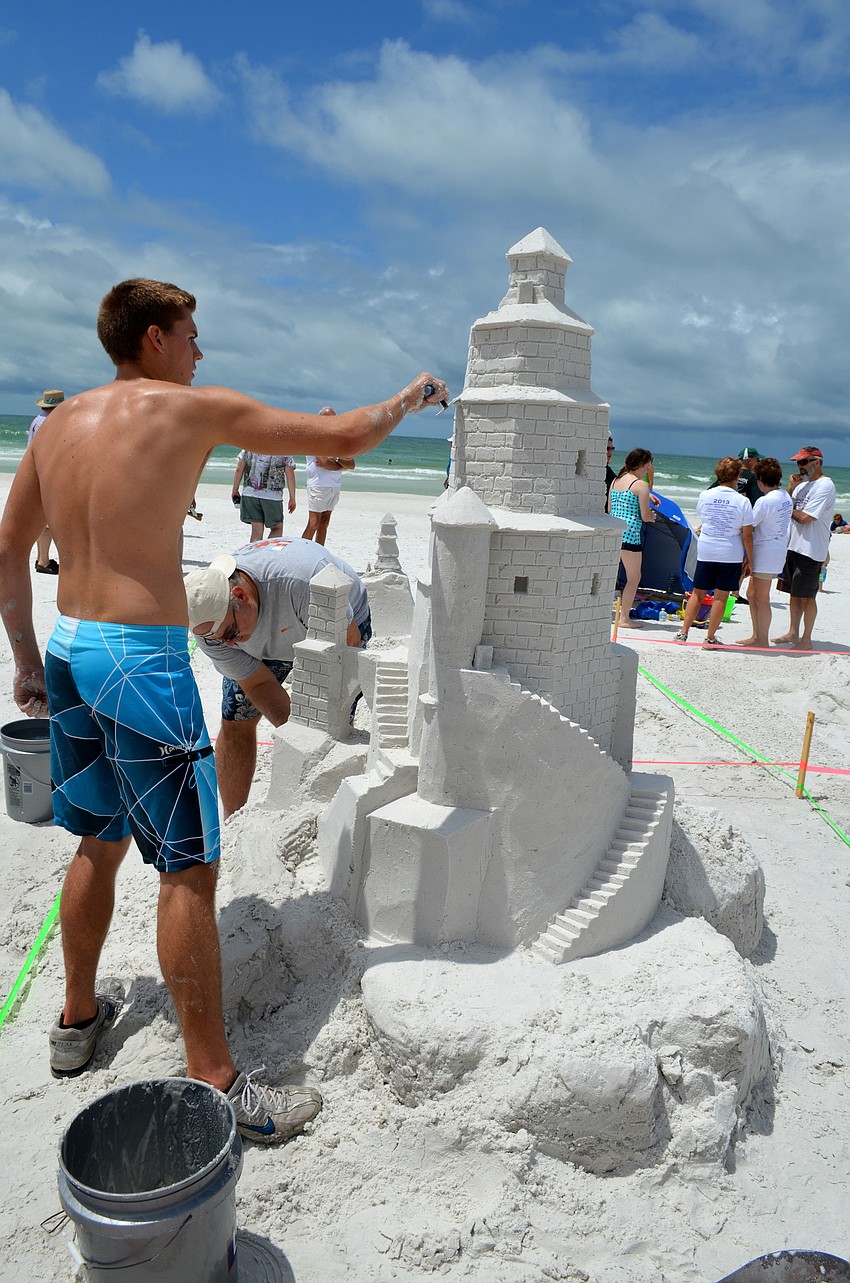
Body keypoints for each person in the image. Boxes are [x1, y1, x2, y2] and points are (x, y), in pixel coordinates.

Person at [0, 275, 447, 1142]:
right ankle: (220, 1082)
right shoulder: (188, 409)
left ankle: (77, 1019)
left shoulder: (55, 426)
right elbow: (344, 435)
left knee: (97, 838)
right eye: (192, 334)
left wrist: (24, 657)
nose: (202, 351)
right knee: (188, 870)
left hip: (71, 649)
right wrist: (410, 394)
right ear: (156, 339)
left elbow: (9, 547)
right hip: (139, 660)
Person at [185, 539, 370, 818]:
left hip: (339, 626)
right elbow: (258, 684)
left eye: (229, 633)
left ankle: (331, 814)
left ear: (241, 595)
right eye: (218, 639)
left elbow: (346, 646)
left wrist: (319, 735)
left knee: (335, 722)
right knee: (236, 721)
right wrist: (299, 735)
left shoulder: (300, 581)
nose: (229, 645)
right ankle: (234, 817)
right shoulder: (210, 632)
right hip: (268, 641)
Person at [675, 457, 754, 648]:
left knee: (697, 593)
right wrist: (750, 559)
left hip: (707, 549)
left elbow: (704, 517)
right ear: (737, 476)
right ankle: (709, 637)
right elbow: (747, 535)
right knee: (721, 595)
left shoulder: (706, 495)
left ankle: (683, 633)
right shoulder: (742, 501)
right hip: (730, 552)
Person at [774, 447, 836, 650]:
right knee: (794, 593)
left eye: (804, 462)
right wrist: (791, 488)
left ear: (816, 462)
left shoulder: (825, 485)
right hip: (793, 547)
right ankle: (793, 632)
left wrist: (788, 508)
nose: (800, 467)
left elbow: (806, 518)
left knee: (807, 597)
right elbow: (787, 506)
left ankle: (806, 639)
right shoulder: (802, 486)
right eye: (798, 463)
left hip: (810, 549)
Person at [734, 458, 792, 649]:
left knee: (762, 597)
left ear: (760, 480)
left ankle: (762, 639)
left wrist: (746, 557)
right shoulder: (785, 496)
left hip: (766, 551)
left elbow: (749, 527)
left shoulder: (765, 501)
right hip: (776, 549)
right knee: (751, 593)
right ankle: (757, 635)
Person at [607, 448, 657, 628]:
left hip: (614, 532)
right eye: (648, 466)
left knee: (609, 577)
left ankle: (608, 614)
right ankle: (624, 618)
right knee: (634, 578)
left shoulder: (615, 480)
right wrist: (652, 516)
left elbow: (610, 508)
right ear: (642, 465)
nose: (648, 470)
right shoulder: (640, 485)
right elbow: (644, 516)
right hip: (630, 535)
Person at [302, 407, 354, 544]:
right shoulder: (314, 438)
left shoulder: (338, 439)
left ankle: (320, 553)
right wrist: (340, 464)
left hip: (334, 485)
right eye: (328, 418)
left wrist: (335, 460)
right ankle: (301, 552)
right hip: (318, 485)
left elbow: (352, 464)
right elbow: (324, 463)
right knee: (313, 524)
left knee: (324, 524)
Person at [27, 389, 64, 574]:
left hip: (37, 473)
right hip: (49, 474)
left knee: (43, 521)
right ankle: (45, 561)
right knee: (52, 520)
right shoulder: (53, 422)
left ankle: (42, 559)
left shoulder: (37, 421)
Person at [232, 450, 296, 541]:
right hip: (272, 496)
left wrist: (235, 490)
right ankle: (268, 553)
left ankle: (255, 554)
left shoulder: (249, 446)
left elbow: (239, 469)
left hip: (250, 494)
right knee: (276, 528)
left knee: (256, 531)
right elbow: (291, 477)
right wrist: (292, 498)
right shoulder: (282, 448)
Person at [605, 435, 616, 499]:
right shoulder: (604, 469)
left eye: (612, 448)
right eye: (607, 449)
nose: (610, 452)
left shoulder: (607, 469)